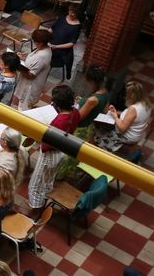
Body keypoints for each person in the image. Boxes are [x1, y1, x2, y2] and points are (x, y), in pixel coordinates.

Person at [27, 84, 79, 212]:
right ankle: (44, 197)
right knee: (48, 178)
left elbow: (47, 142)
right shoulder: (75, 112)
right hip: (62, 150)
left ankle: (36, 208)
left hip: (50, 152)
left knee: (36, 183)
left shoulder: (60, 120)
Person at [56, 65, 107, 179]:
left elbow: (78, 117)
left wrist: (70, 108)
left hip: (80, 129)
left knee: (67, 155)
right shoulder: (105, 93)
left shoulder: (92, 99)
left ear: (92, 81)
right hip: (89, 126)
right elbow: (104, 110)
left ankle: (59, 177)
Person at [95, 81, 153, 153]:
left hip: (126, 137)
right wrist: (116, 112)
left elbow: (122, 129)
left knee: (98, 131)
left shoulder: (133, 109)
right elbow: (132, 117)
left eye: (126, 96)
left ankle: (99, 152)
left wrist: (115, 116)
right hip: (137, 135)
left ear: (131, 96)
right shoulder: (146, 103)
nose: (125, 98)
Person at [16, 29, 53, 110]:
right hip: (31, 85)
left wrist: (17, 65)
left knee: (23, 110)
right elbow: (33, 60)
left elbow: (31, 75)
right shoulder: (46, 48)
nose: (34, 43)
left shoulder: (41, 57)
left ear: (40, 43)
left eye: (35, 41)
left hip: (30, 87)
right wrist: (23, 57)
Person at [48, 5, 83, 80]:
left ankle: (45, 68)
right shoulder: (62, 18)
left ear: (77, 14)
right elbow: (51, 29)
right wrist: (46, 38)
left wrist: (56, 46)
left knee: (48, 56)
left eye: (74, 13)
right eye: (71, 11)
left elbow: (71, 43)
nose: (71, 14)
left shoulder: (77, 26)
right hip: (51, 44)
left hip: (61, 49)